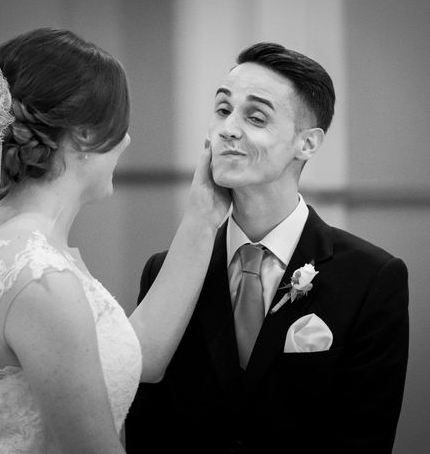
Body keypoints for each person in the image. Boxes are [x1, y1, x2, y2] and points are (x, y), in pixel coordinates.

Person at [0, 28, 230, 453]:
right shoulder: (38, 276)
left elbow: (137, 352)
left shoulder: (8, 243)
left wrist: (203, 215)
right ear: (86, 136)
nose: (126, 141)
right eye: (120, 126)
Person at [126, 42, 409, 453]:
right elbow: (147, 430)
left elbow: (366, 438)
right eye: (223, 110)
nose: (228, 128)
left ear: (307, 144)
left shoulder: (371, 278)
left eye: (255, 116)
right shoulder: (165, 271)